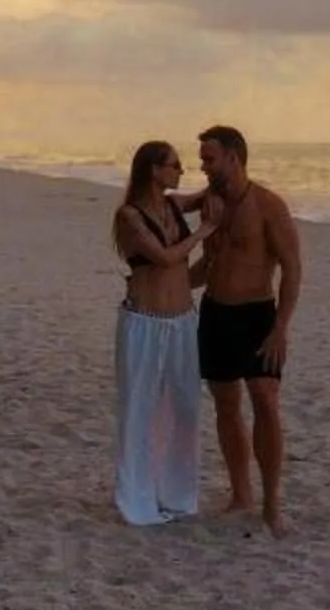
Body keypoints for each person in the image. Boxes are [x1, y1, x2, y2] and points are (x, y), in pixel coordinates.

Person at [194, 124, 302, 537]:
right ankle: (241, 494)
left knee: (265, 400)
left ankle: (272, 504)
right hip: (216, 313)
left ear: (234, 159)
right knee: (225, 403)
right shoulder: (211, 204)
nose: (203, 166)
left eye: (209, 159)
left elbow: (292, 269)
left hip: (257, 315)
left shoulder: (268, 206)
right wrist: (163, 289)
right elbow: (207, 264)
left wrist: (281, 329)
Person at [112, 139, 220, 526]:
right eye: (174, 165)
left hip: (181, 321)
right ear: (154, 170)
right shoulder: (130, 216)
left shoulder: (174, 205)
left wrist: (224, 167)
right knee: (139, 411)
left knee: (184, 408)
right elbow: (165, 257)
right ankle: (137, 501)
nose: (181, 171)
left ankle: (176, 495)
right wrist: (206, 230)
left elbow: (210, 191)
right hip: (144, 322)